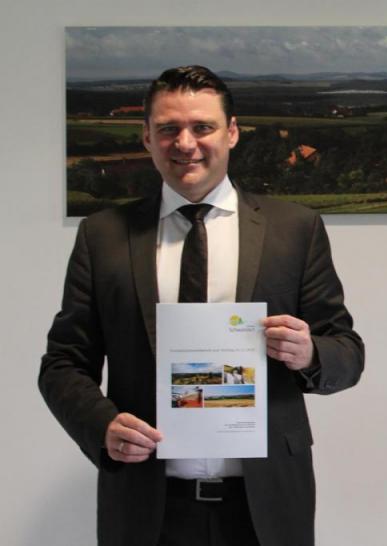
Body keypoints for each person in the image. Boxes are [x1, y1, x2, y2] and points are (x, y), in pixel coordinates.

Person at [39, 66, 364, 546]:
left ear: (231, 132)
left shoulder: (295, 229)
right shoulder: (102, 236)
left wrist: (310, 353)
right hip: (148, 506)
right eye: (168, 128)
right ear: (146, 137)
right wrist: (101, 424)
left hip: (266, 506)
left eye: (202, 127)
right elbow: (63, 363)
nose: (185, 143)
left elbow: (348, 353)